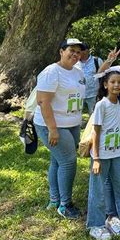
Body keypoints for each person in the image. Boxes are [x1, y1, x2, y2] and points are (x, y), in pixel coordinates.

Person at [33, 38, 86, 219]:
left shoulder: (77, 71)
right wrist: (53, 129)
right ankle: (65, 205)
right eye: (71, 50)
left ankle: (54, 200)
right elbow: (43, 101)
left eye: (78, 52)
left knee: (57, 161)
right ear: (61, 51)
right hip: (53, 125)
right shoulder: (51, 72)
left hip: (71, 124)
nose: (75, 54)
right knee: (68, 162)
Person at [87, 67, 120, 240]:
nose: (116, 85)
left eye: (119, 82)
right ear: (105, 84)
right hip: (101, 156)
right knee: (97, 191)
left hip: (118, 153)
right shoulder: (101, 105)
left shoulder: (119, 102)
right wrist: (96, 158)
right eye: (112, 82)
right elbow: (95, 133)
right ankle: (95, 225)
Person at [75, 43, 103, 114]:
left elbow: (104, 74)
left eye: (82, 50)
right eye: (78, 51)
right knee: (75, 114)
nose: (80, 52)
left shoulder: (97, 60)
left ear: (88, 50)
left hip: (94, 94)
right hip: (78, 94)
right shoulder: (75, 61)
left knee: (94, 115)